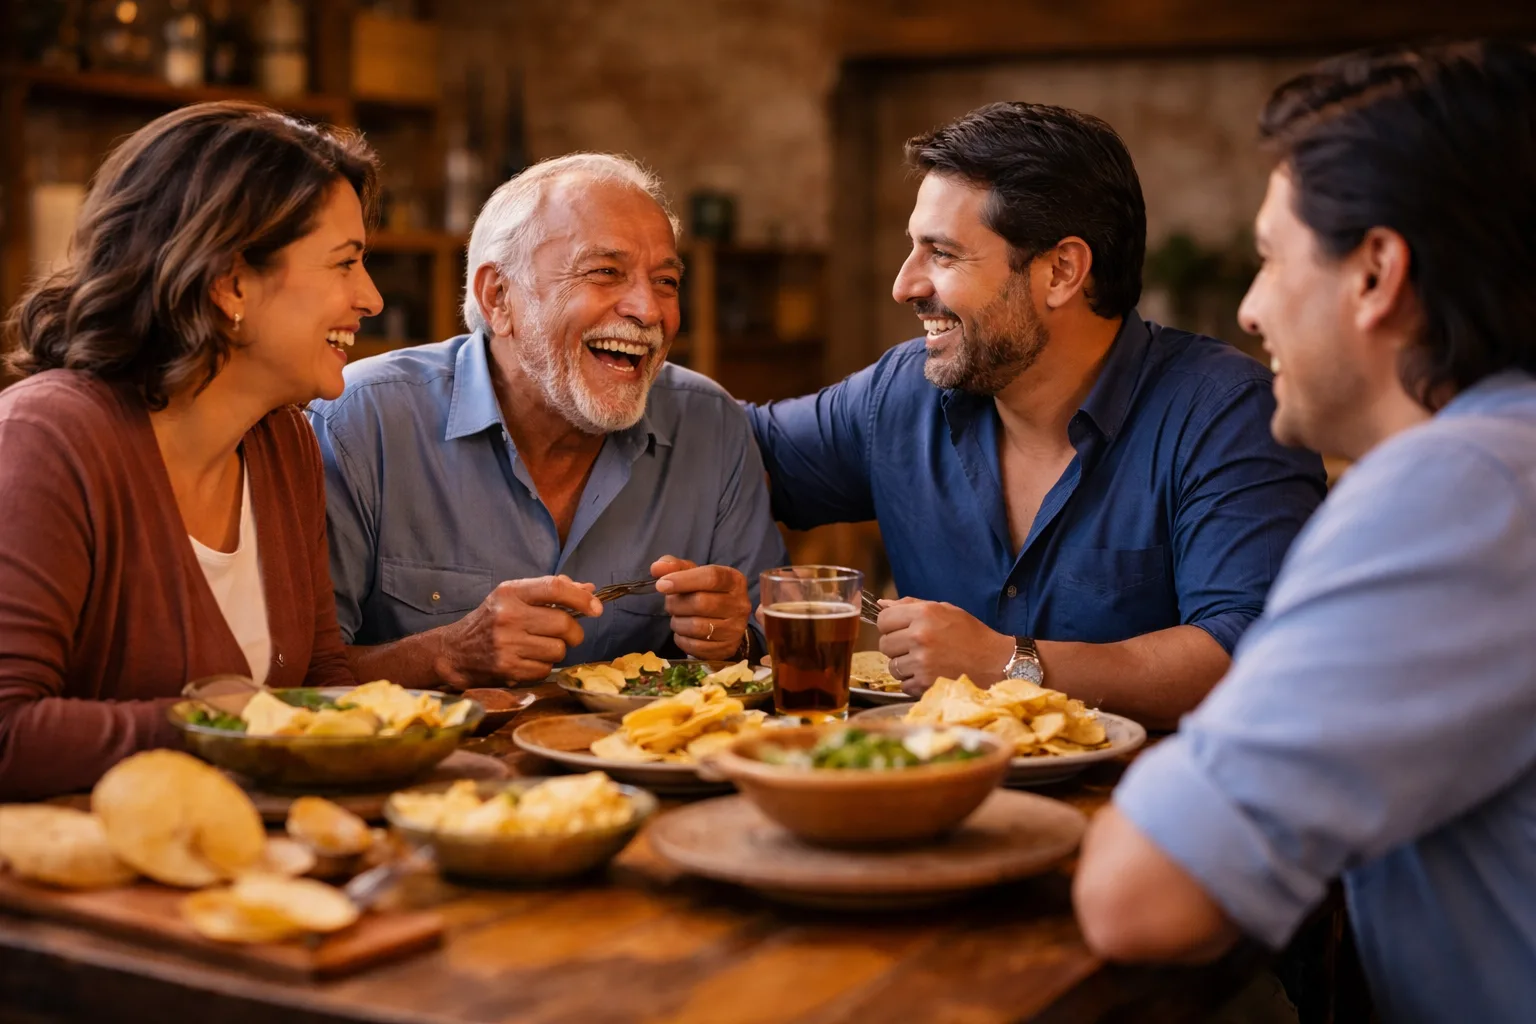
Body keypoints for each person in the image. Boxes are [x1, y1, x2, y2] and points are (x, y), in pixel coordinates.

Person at [1072, 41, 1536, 1022]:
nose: (1248, 308)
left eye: (1272, 258)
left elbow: (1139, 897)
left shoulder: (1456, 488)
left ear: (1375, 273)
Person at [746, 103, 1326, 726]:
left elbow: (1251, 652)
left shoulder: (1227, 413)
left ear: (1062, 271)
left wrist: (1008, 663)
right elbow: (732, 449)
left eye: (941, 254)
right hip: (931, 799)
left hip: (1147, 808)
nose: (905, 285)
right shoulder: (899, 394)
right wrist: (634, 340)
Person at [0, 102, 381, 799]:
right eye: (346, 263)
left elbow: (321, 677)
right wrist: (226, 725)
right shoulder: (47, 439)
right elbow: (7, 733)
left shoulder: (282, 441)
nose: (372, 298)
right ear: (231, 282)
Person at [308, 154, 787, 689]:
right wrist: (449, 654)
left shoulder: (710, 423)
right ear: (498, 298)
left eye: (667, 281)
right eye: (605, 272)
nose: (649, 311)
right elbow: (301, 678)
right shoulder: (359, 420)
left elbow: (769, 645)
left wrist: (735, 640)